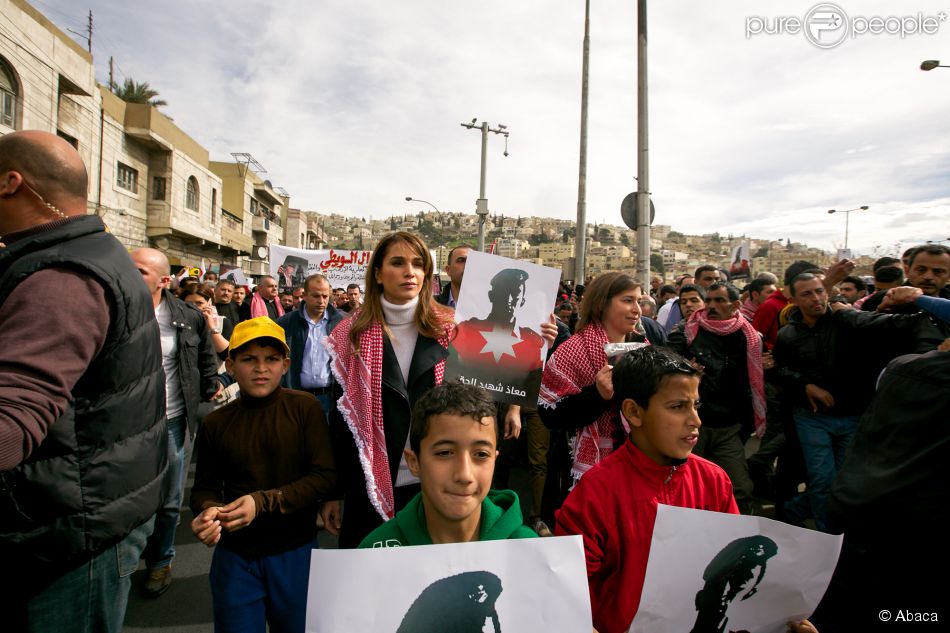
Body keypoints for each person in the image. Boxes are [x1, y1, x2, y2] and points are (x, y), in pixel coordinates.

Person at [0, 130, 166, 631]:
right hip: (78, 513)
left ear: (11, 184)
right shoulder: (86, 255)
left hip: (70, 538)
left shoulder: (64, 276)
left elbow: (14, 417)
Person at [555, 346, 738, 633]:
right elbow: (564, 592)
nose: (695, 421)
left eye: (696, 405)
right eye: (678, 407)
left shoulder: (714, 481)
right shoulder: (595, 493)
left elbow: (733, 564)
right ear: (634, 412)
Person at [190, 317, 337, 633]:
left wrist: (263, 502)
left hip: (295, 552)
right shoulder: (216, 424)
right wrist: (208, 512)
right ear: (230, 365)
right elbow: (204, 489)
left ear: (285, 365)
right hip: (235, 558)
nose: (261, 368)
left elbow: (324, 475)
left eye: (271, 359)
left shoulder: (305, 408)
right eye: (248, 359)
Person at [321, 232, 457, 547]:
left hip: (436, 483)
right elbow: (340, 423)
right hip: (367, 487)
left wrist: (535, 350)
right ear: (379, 274)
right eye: (398, 263)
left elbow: (482, 403)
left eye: (418, 264)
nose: (410, 272)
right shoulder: (348, 336)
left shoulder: (454, 330)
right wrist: (332, 492)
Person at [773, 273, 934, 532]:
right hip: (812, 418)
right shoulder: (788, 335)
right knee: (823, 480)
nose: (816, 298)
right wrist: (806, 385)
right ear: (792, 299)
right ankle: (830, 539)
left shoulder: (847, 323)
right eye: (807, 294)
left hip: (852, 415)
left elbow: (892, 329)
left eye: (819, 291)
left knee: (844, 482)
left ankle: (794, 510)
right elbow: (778, 369)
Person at [131, 248, 224, 597]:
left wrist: (208, 384)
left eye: (139, 271)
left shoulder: (187, 316)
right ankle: (122, 564)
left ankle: (159, 562)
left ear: (164, 280)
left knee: (170, 501)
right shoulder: (108, 309)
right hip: (126, 427)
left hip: (171, 422)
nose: (128, 275)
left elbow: (205, 358)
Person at [539, 273, 666, 514]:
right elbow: (550, 415)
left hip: (636, 464)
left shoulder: (645, 348)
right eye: (628, 300)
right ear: (602, 303)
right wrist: (597, 395)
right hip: (579, 472)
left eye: (639, 301)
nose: (637, 309)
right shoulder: (571, 350)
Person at [359, 383, 536, 547]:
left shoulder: (529, 552)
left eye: (481, 454)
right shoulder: (375, 553)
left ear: (494, 461)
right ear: (414, 462)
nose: (464, 474)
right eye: (444, 453)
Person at [668, 282, 765, 514]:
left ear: (735, 305)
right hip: (691, 425)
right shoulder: (686, 331)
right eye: (709, 300)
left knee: (739, 489)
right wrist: (685, 372)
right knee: (685, 489)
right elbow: (666, 369)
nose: (711, 306)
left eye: (719, 301)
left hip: (728, 427)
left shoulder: (749, 336)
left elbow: (750, 381)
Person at [449, 267, 549, 401]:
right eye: (503, 292)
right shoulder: (466, 330)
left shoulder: (532, 341)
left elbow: (530, 386)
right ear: (491, 295)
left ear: (522, 301)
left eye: (515, 294)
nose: (509, 299)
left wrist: (548, 346)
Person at [277, 274, 346, 414]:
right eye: (316, 296)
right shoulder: (286, 323)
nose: (321, 301)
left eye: (325, 296)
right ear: (305, 295)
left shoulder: (341, 323)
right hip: (295, 398)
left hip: (328, 399)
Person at [177, 282, 231, 355]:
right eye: (189, 304)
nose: (194, 307)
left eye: (199, 303)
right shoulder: (177, 322)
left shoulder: (221, 322)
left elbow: (226, 354)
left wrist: (212, 328)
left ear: (209, 302)